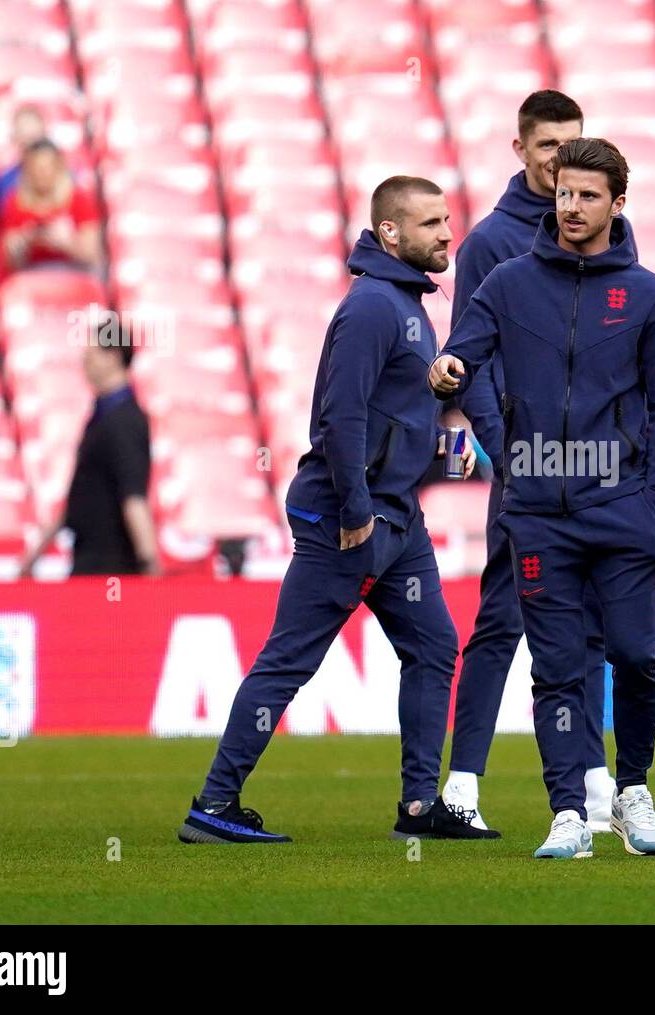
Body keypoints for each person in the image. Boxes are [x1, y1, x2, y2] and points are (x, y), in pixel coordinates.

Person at [178, 177, 495, 845]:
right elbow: (339, 416)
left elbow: (386, 419)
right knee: (289, 660)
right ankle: (214, 803)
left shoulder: (404, 304)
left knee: (434, 647)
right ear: (390, 233)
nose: (446, 232)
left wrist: (443, 451)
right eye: (431, 222)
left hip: (396, 517)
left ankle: (416, 806)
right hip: (350, 519)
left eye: (446, 219)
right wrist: (355, 506)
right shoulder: (374, 308)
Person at [430, 138, 655, 860]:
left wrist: (651, 492)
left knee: (636, 657)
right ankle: (568, 811)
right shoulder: (509, 282)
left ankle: (632, 789)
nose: (570, 207)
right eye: (564, 193)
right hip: (538, 510)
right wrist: (446, 370)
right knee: (557, 669)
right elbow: (464, 351)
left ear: (618, 203)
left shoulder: (649, 296)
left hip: (623, 508)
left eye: (587, 196)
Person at [18, 309, 160, 577]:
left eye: (92, 353)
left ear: (113, 357)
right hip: (88, 565)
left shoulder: (124, 421)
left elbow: (133, 497)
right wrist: (37, 553)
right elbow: (79, 496)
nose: (85, 360)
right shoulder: (100, 418)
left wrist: (149, 564)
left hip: (112, 569)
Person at [0, 139, 100, 276]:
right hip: (31, 276)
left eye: (46, 168)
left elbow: (91, 254)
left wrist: (65, 242)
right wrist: (25, 241)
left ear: (58, 167)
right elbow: (11, 262)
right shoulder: (15, 201)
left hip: (73, 274)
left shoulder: (78, 198)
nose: (41, 174)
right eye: (36, 169)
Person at [0, 104, 47, 207]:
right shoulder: (5, 181)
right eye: (25, 141)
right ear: (15, 139)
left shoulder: (65, 178)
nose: (31, 149)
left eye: (35, 141)